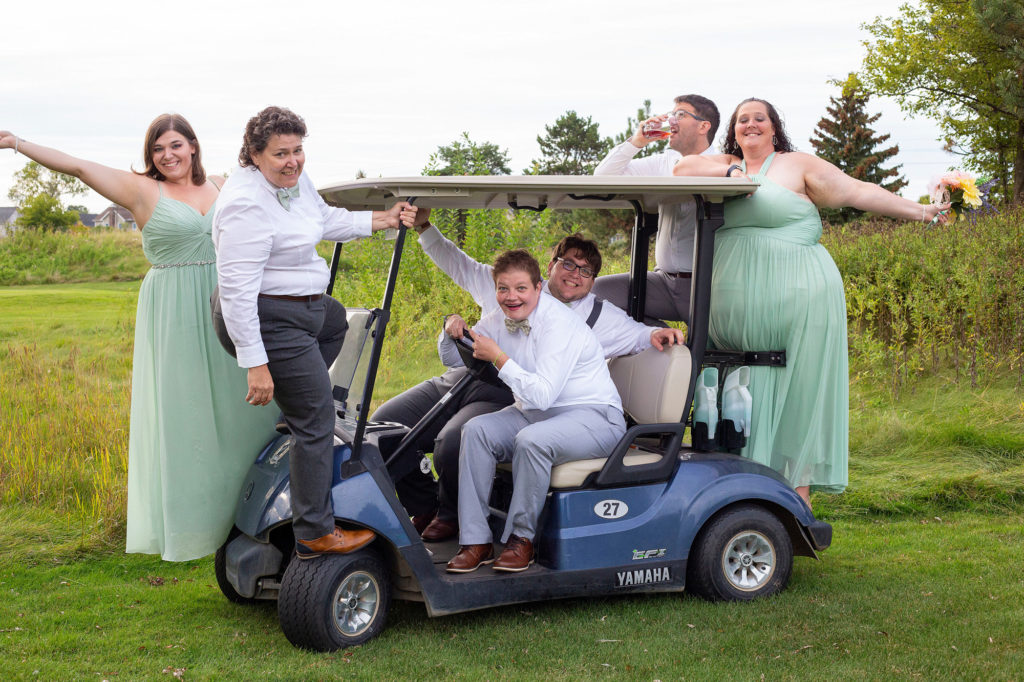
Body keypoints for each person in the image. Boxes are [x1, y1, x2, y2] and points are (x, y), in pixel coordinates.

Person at [0, 116, 279, 561]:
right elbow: (77, 167)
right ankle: (195, 529)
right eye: (157, 149)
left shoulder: (226, 184)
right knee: (189, 417)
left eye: (175, 146)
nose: (167, 156)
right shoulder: (142, 191)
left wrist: (374, 217)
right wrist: (17, 143)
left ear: (193, 146)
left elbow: (288, 193)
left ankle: (257, 518)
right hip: (176, 311)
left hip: (232, 308)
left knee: (249, 413)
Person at [672, 97, 950, 506]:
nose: (751, 125)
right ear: (732, 130)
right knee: (733, 393)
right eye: (742, 119)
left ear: (773, 126)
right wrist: (732, 170)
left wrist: (922, 212)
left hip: (800, 298)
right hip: (731, 310)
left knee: (795, 395)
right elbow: (682, 168)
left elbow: (859, 191)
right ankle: (738, 501)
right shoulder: (721, 166)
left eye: (759, 119)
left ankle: (794, 504)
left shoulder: (797, 165)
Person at [373, 223, 683, 543]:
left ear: (593, 281)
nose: (575, 274)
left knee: (454, 441)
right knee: (385, 422)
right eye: (568, 264)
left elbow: (636, 335)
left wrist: (653, 334)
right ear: (550, 266)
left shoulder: (598, 317)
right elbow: (457, 263)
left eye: (586, 271)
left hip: (510, 393)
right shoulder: (513, 284)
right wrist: (424, 227)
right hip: (466, 375)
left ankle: (449, 516)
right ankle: (424, 502)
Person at [211, 106, 421, 558]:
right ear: (253, 154)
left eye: (298, 150)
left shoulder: (293, 183)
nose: (293, 161)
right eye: (280, 153)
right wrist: (257, 365)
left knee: (335, 322)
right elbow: (237, 295)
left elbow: (325, 220)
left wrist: (381, 220)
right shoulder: (245, 204)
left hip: (303, 310)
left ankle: (297, 404)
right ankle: (313, 532)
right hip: (264, 318)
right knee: (317, 420)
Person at [441, 250, 626, 573]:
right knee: (476, 430)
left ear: (538, 287)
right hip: (537, 413)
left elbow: (541, 395)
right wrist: (449, 330)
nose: (511, 297)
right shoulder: (501, 318)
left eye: (521, 289)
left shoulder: (560, 324)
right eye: (503, 289)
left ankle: (520, 538)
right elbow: (453, 358)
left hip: (595, 417)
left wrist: (498, 357)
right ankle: (476, 540)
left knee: (532, 440)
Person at [593, 94, 720, 324]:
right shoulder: (664, 162)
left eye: (680, 114)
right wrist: (637, 141)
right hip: (663, 284)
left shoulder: (723, 164)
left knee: (708, 352)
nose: (672, 120)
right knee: (598, 291)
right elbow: (602, 177)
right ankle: (660, 339)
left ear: (704, 126)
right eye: (671, 115)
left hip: (710, 287)